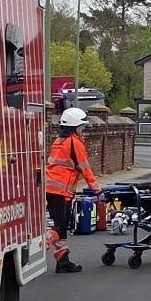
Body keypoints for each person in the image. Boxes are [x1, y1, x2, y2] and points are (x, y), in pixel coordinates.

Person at [44, 108, 102, 273]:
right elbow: (85, 168)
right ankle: (41, 244)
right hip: (61, 190)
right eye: (82, 127)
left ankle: (63, 261)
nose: (83, 130)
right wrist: (97, 191)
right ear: (75, 126)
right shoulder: (75, 142)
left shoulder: (59, 140)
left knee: (60, 226)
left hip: (52, 188)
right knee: (60, 227)